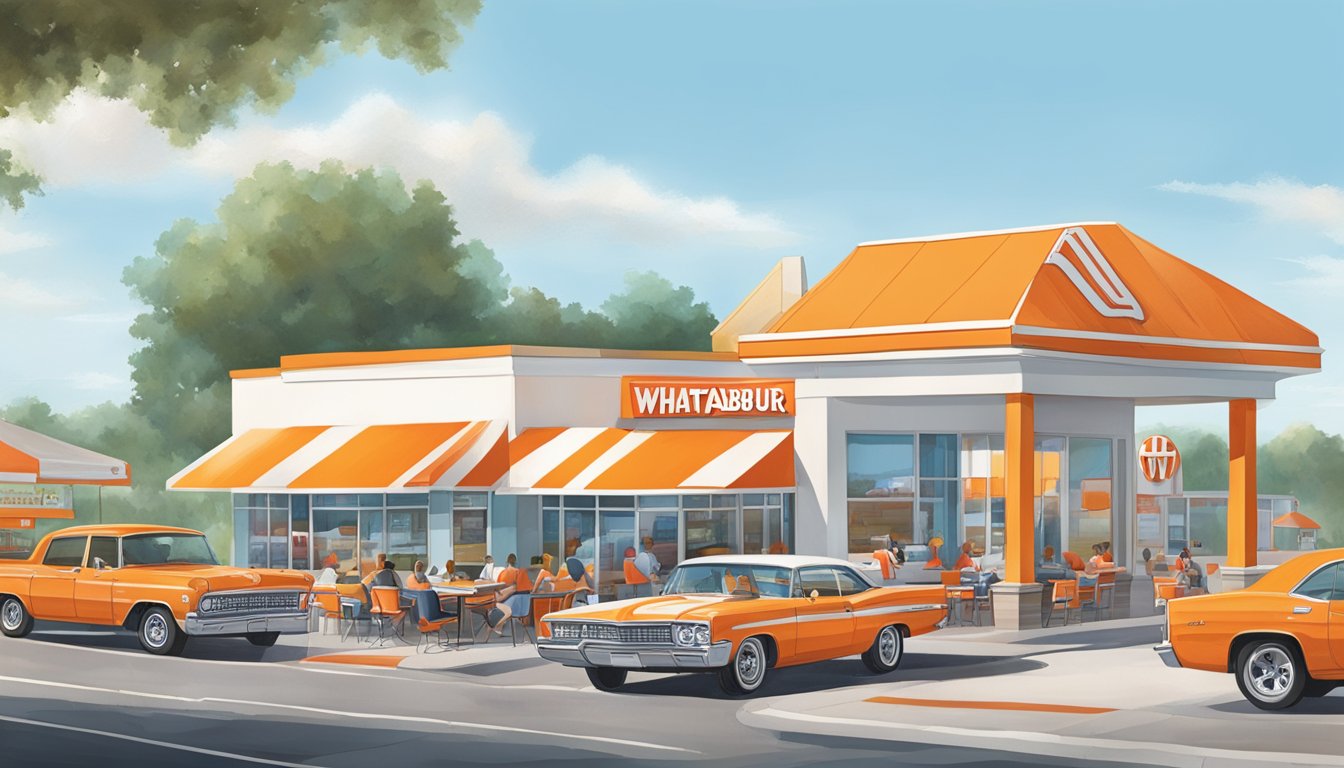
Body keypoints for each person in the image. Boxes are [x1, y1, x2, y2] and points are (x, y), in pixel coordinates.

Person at [485, 552, 541, 634]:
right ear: (516, 562)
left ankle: (495, 626)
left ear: (506, 562)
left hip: (511, 605)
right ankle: (498, 626)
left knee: (493, 602)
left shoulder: (505, 573)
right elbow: (529, 589)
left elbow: (500, 591)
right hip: (523, 606)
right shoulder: (521, 572)